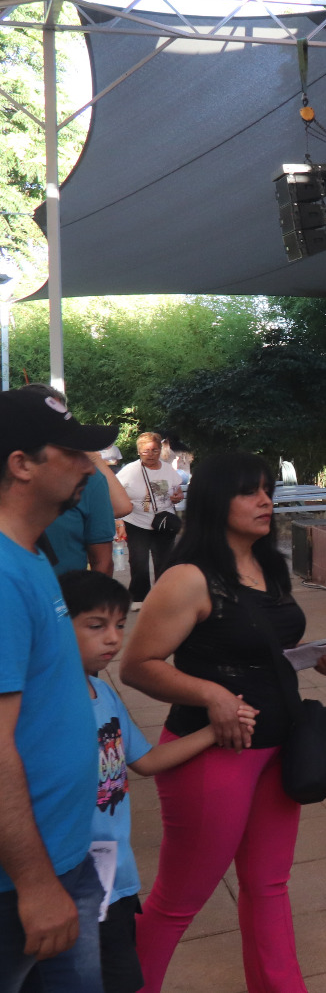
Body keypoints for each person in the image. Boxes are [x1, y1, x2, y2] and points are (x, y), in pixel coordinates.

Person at [119, 452, 326, 993]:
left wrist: (316, 655)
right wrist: (211, 694)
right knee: (179, 900)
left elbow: (261, 648)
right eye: (250, 491)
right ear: (215, 501)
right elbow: (137, 666)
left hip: (280, 746)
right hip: (213, 752)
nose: (265, 501)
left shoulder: (269, 565)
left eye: (268, 489)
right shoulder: (187, 578)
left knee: (269, 886)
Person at [62, 570, 254, 993]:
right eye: (95, 626)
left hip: (115, 880)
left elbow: (145, 761)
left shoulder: (103, 694)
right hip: (66, 881)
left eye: (119, 625)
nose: (113, 639)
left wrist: (214, 732)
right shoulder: (42, 707)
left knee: (122, 979)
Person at [0, 389, 116, 993]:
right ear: (21, 464)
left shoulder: (31, 555)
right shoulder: (3, 574)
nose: (88, 467)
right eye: (72, 453)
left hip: (63, 852)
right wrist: (35, 883)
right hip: (23, 878)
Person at [14, 386, 134, 576]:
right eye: (68, 451)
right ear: (20, 464)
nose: (88, 469)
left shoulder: (89, 480)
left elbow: (122, 507)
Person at [116, 432, 185, 603]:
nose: (151, 454)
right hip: (136, 522)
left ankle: (163, 597)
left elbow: (177, 490)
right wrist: (119, 521)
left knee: (164, 562)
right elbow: (114, 492)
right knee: (139, 562)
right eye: (146, 451)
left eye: (155, 450)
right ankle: (139, 598)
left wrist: (178, 496)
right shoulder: (130, 470)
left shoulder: (168, 469)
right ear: (139, 451)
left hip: (164, 522)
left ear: (160, 450)